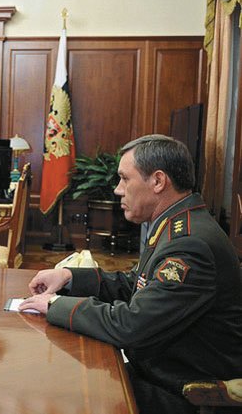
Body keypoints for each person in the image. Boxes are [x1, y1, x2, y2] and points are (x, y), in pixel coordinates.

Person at [19, 134, 242, 414]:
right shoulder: (177, 225)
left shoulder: (189, 243)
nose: (117, 189)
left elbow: (132, 325)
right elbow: (137, 285)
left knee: (66, 395)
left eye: (125, 179)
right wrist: (68, 276)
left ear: (158, 181)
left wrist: (54, 305)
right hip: (159, 371)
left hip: (187, 394)